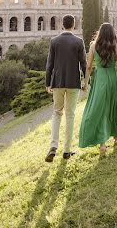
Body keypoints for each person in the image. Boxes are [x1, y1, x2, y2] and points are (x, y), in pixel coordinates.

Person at [79, 22, 117, 153]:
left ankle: (102, 144)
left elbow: (89, 66)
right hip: (113, 79)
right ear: (112, 33)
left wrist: (85, 82)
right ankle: (116, 136)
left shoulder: (93, 46)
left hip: (100, 79)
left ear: (100, 33)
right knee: (113, 106)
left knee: (101, 108)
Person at [45, 14, 87, 162]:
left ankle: (53, 147)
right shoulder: (79, 41)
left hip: (57, 83)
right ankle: (67, 151)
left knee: (57, 113)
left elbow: (49, 64)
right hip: (73, 83)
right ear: (73, 25)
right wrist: (85, 81)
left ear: (62, 25)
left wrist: (47, 83)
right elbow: (84, 63)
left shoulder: (54, 41)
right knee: (70, 115)